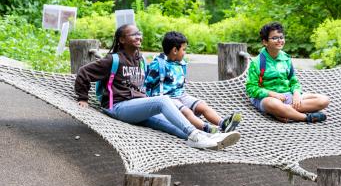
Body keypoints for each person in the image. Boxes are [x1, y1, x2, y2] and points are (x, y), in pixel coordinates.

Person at [74, 24, 240, 149]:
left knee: (173, 125)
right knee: (163, 101)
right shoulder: (113, 60)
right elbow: (84, 72)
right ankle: (197, 135)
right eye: (133, 35)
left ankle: (208, 138)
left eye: (139, 34)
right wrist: (83, 98)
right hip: (118, 106)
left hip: (138, 106)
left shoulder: (140, 60)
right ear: (122, 40)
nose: (138, 37)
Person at [145, 31, 242, 135]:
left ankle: (223, 124)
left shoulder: (180, 64)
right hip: (167, 99)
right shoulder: (159, 64)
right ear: (174, 50)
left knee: (202, 105)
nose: (185, 52)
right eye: (184, 49)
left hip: (182, 96)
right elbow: (148, 83)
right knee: (186, 112)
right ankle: (207, 129)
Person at [245, 22, 330, 123]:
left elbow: (293, 81)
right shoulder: (257, 62)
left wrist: (297, 93)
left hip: (286, 96)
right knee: (272, 104)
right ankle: (306, 117)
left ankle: (281, 112)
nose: (279, 40)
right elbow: (251, 88)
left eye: (281, 37)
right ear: (265, 42)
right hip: (267, 98)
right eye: (275, 38)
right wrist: (272, 94)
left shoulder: (286, 58)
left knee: (324, 100)